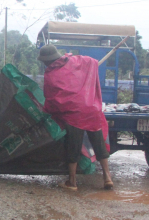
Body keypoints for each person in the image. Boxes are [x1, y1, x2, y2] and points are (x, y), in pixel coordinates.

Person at [38, 44, 113, 191]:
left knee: (73, 146)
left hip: (74, 114)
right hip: (91, 109)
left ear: (46, 61)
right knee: (99, 144)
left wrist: (49, 111)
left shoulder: (51, 74)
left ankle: (72, 182)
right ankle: (107, 178)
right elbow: (92, 61)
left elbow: (51, 98)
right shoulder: (76, 60)